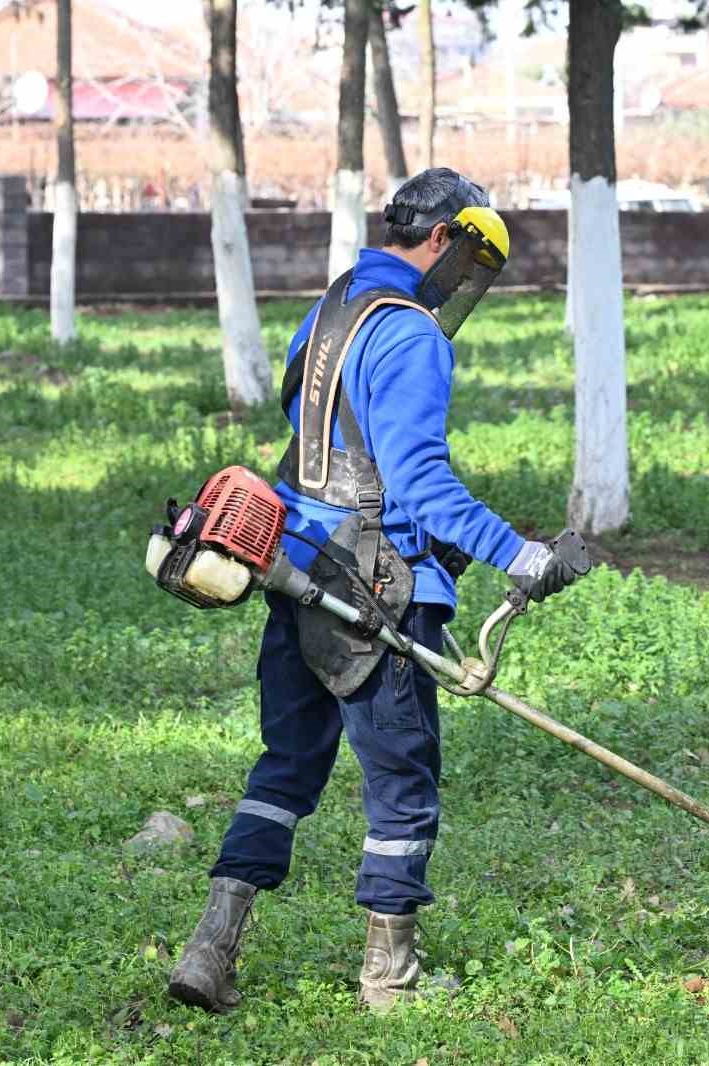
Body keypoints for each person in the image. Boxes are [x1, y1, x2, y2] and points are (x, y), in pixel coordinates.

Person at [168, 168, 588, 1013]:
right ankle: (389, 982)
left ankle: (210, 950)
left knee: (286, 767)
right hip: (375, 591)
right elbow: (419, 479)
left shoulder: (331, 309)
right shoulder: (412, 335)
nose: (464, 284)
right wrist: (519, 555)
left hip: (294, 568)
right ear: (443, 240)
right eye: (470, 263)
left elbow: (318, 450)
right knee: (401, 782)